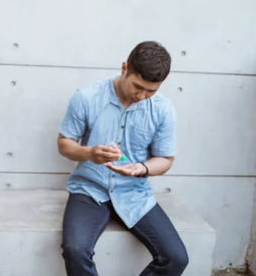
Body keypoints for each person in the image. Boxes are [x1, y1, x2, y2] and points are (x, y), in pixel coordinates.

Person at [57, 41, 189, 276]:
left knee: (176, 257)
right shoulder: (87, 97)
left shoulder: (163, 109)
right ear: (124, 68)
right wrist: (89, 153)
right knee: (75, 250)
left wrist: (142, 168)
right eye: (138, 87)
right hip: (89, 189)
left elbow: (165, 159)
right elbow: (64, 144)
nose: (142, 95)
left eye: (151, 90)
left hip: (135, 193)